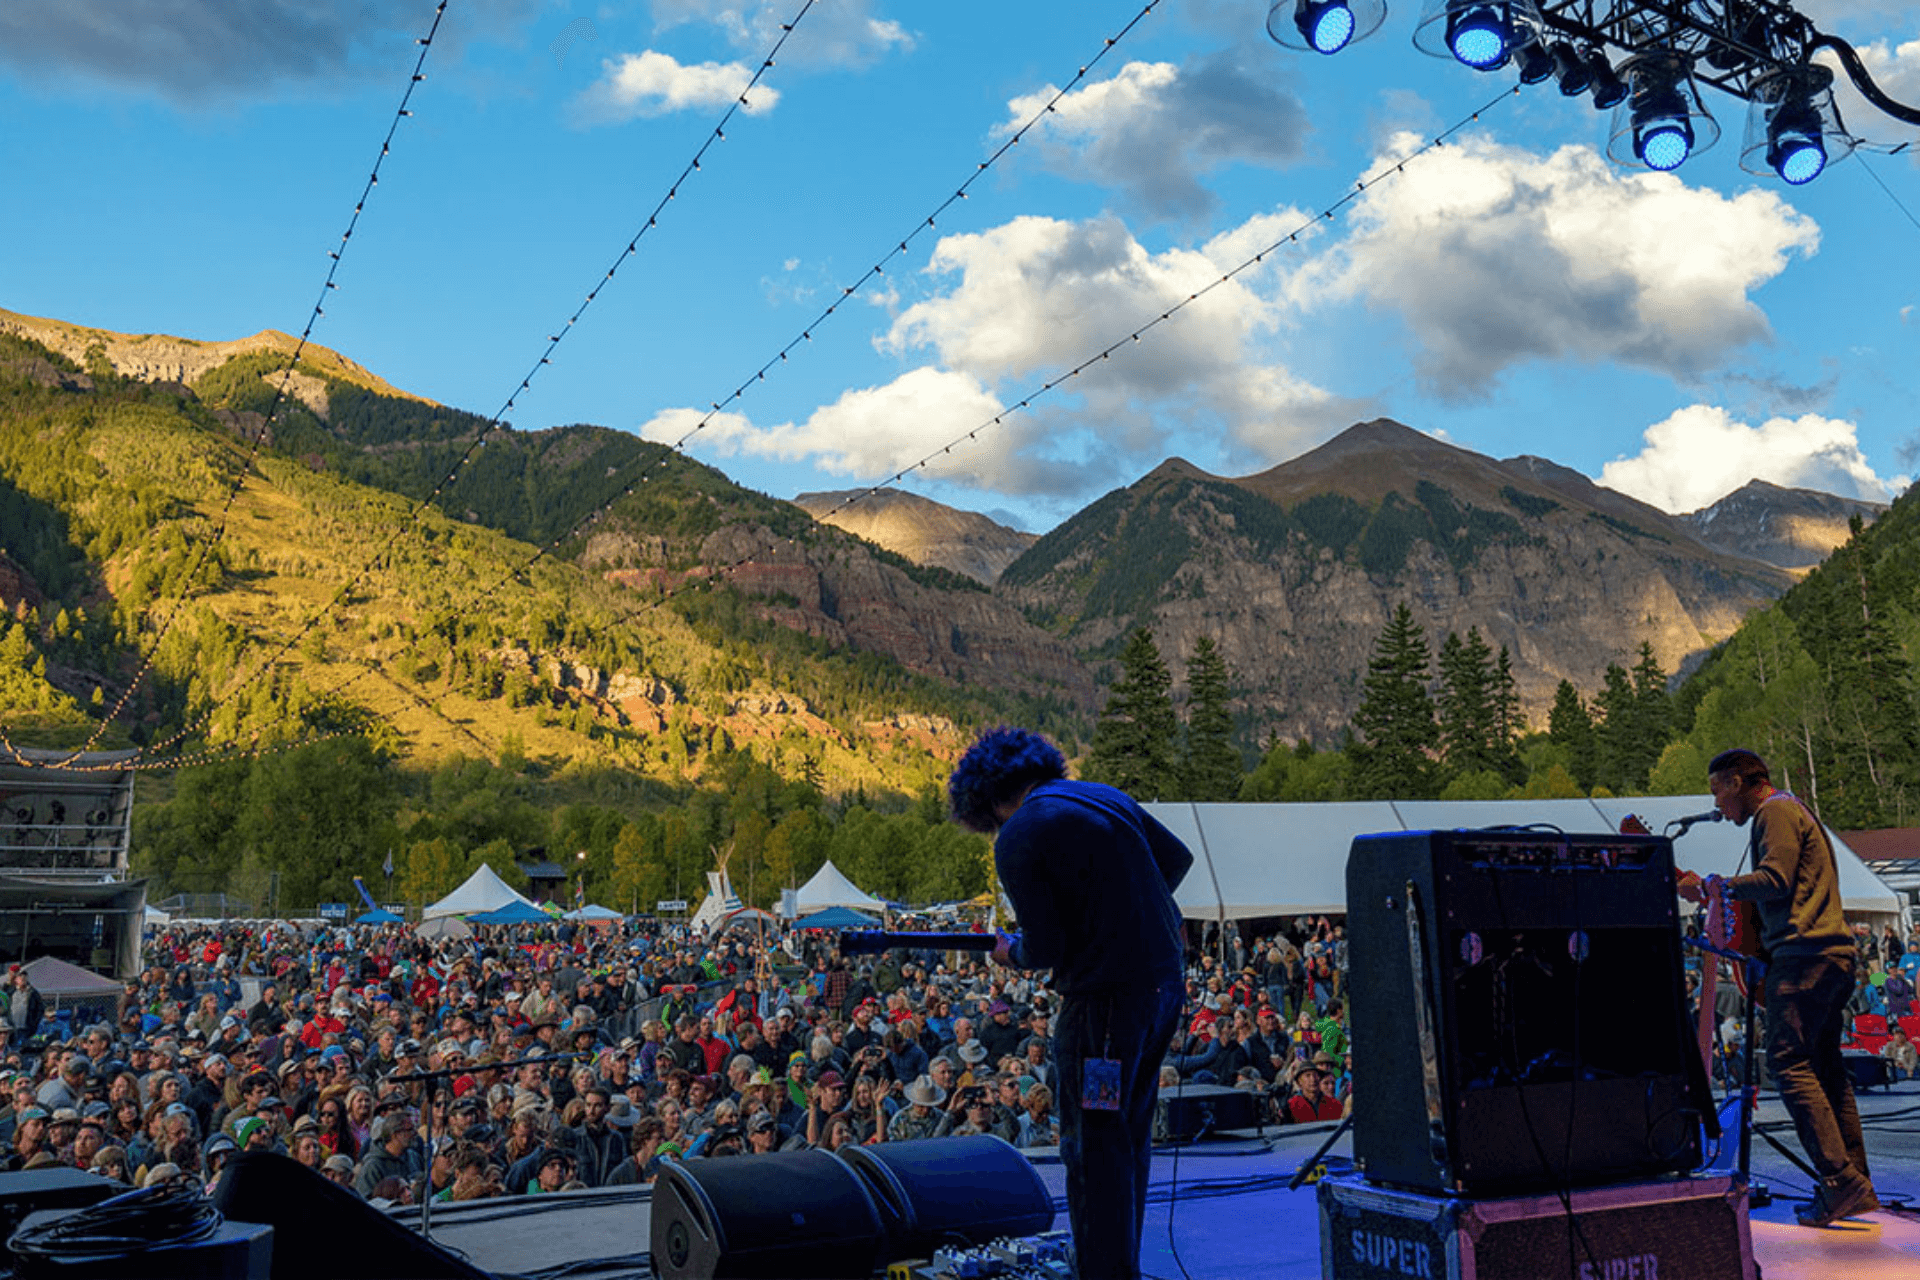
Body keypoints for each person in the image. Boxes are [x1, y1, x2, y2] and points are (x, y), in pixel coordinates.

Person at [949, 727, 1192, 1280]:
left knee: (1091, 1145)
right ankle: (1120, 1264)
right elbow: (1176, 861)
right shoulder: (1104, 796)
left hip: (1102, 1007)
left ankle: (1104, 1271)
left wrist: (1010, 952)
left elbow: (1047, 946)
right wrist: (1122, 906)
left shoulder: (1020, 834)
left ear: (985, 801)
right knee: (1128, 1131)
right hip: (1163, 990)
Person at [1681, 748, 1876, 1227]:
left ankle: (1839, 1179)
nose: (1719, 806)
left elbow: (1775, 878)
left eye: (1718, 792)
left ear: (1739, 781)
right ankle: (1855, 1182)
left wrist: (1714, 887)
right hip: (1828, 954)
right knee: (1826, 1070)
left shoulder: (1775, 813)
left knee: (1788, 1063)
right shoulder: (1789, 810)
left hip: (1805, 957)